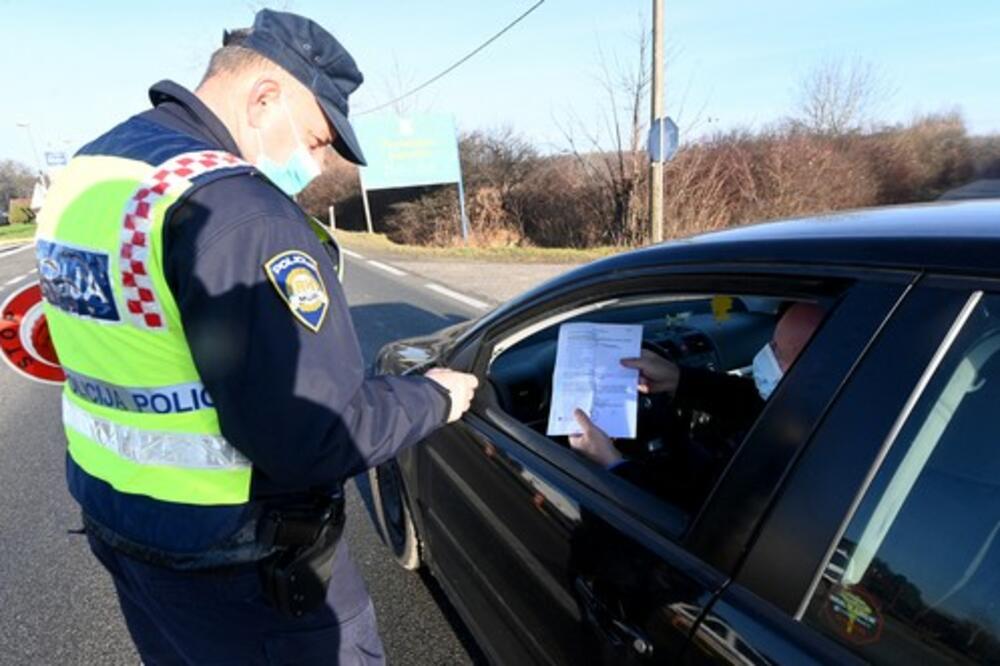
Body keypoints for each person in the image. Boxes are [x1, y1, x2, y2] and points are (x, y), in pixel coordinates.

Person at [35, 10, 477, 665]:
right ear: (264, 97)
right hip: (243, 567)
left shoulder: (95, 167)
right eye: (317, 139)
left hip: (124, 525)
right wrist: (433, 397)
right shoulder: (238, 212)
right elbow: (315, 434)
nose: (317, 164)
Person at [569, 302, 825, 511]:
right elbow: (758, 404)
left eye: (778, 352)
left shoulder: (785, 458)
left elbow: (690, 513)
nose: (766, 353)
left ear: (814, 373)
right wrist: (678, 378)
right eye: (771, 342)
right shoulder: (819, 409)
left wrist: (612, 464)